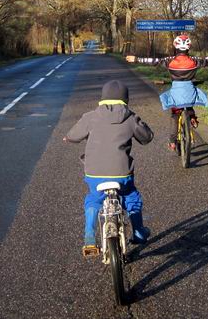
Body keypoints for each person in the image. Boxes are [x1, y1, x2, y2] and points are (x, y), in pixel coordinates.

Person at [64, 79, 153, 258]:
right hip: (122, 174)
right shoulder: (130, 117)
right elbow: (147, 137)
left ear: (103, 98)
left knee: (94, 199)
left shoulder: (90, 116)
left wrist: (68, 138)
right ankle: (138, 232)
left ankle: (89, 235)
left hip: (94, 173)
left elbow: (73, 136)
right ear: (125, 99)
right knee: (131, 197)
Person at [126, 33, 208, 151]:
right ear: (188, 47)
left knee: (175, 114)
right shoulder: (194, 61)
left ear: (176, 47)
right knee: (189, 101)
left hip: (176, 92)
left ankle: (173, 141)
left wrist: (136, 59)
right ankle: (192, 117)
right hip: (189, 90)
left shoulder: (169, 61)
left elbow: (153, 61)